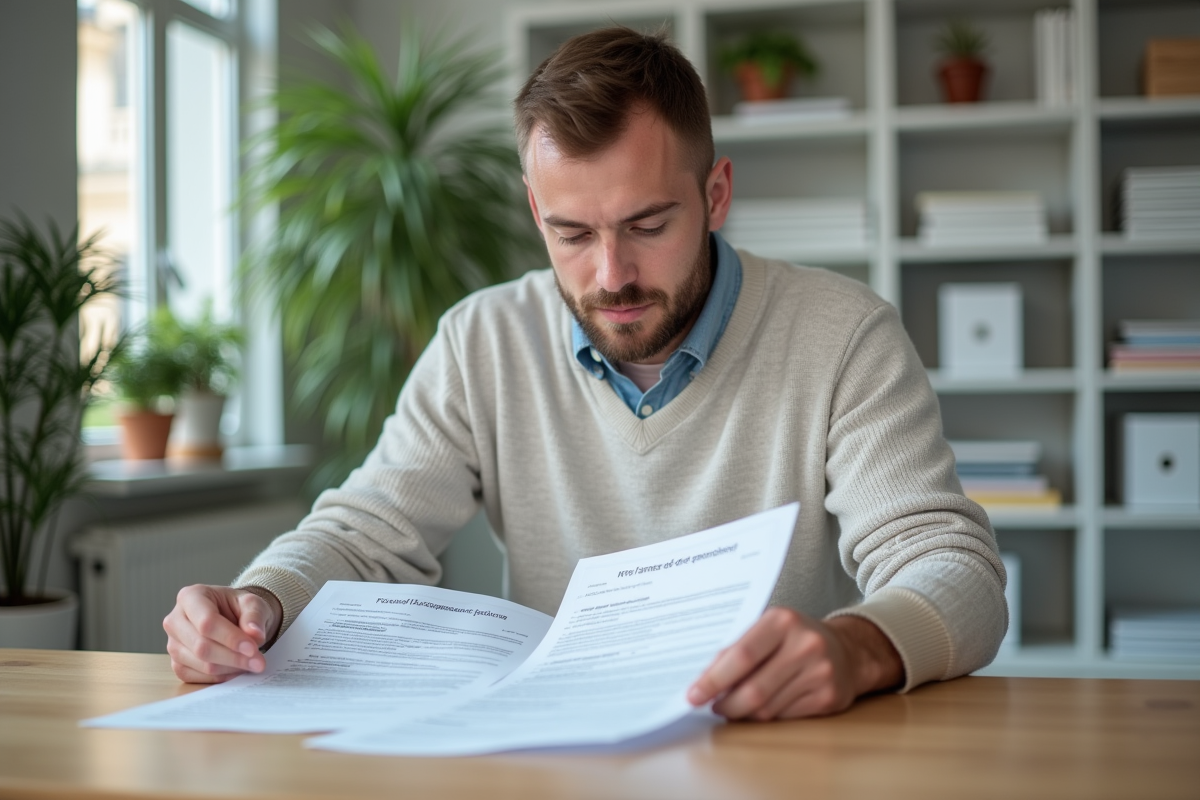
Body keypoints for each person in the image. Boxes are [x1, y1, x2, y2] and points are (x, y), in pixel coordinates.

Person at [164, 27, 1006, 721]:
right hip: (554, 751)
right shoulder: (482, 340)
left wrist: (857, 648)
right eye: (571, 233)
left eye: (648, 224)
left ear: (716, 195)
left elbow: (953, 568)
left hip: (772, 748)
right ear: (536, 210)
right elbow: (363, 534)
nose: (612, 275)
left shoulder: (843, 334)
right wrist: (259, 602)